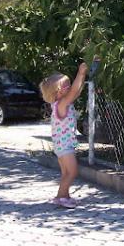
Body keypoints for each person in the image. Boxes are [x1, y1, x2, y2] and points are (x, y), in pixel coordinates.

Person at [39, 62, 89, 208]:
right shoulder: (62, 104)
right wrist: (80, 73)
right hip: (65, 146)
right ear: (59, 92)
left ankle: (65, 196)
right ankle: (60, 196)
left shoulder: (61, 103)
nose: (70, 87)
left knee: (66, 172)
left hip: (61, 145)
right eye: (67, 85)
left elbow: (76, 92)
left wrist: (83, 76)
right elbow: (74, 92)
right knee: (72, 172)